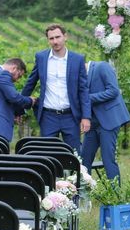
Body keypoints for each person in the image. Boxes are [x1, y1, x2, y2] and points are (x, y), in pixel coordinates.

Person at [21, 24, 91, 152]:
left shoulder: (78, 59)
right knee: (47, 154)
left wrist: (86, 116)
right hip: (48, 116)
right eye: (51, 38)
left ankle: (75, 173)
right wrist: (19, 107)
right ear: (48, 40)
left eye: (58, 37)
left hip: (71, 116)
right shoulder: (41, 57)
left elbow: (83, 90)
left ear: (65, 37)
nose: (55, 41)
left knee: (74, 155)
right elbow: (30, 83)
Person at [81, 60, 130, 180]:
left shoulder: (101, 66)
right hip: (91, 123)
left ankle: (115, 196)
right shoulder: (79, 79)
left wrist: (88, 98)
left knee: (108, 159)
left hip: (109, 121)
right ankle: (82, 195)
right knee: (84, 159)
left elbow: (113, 91)